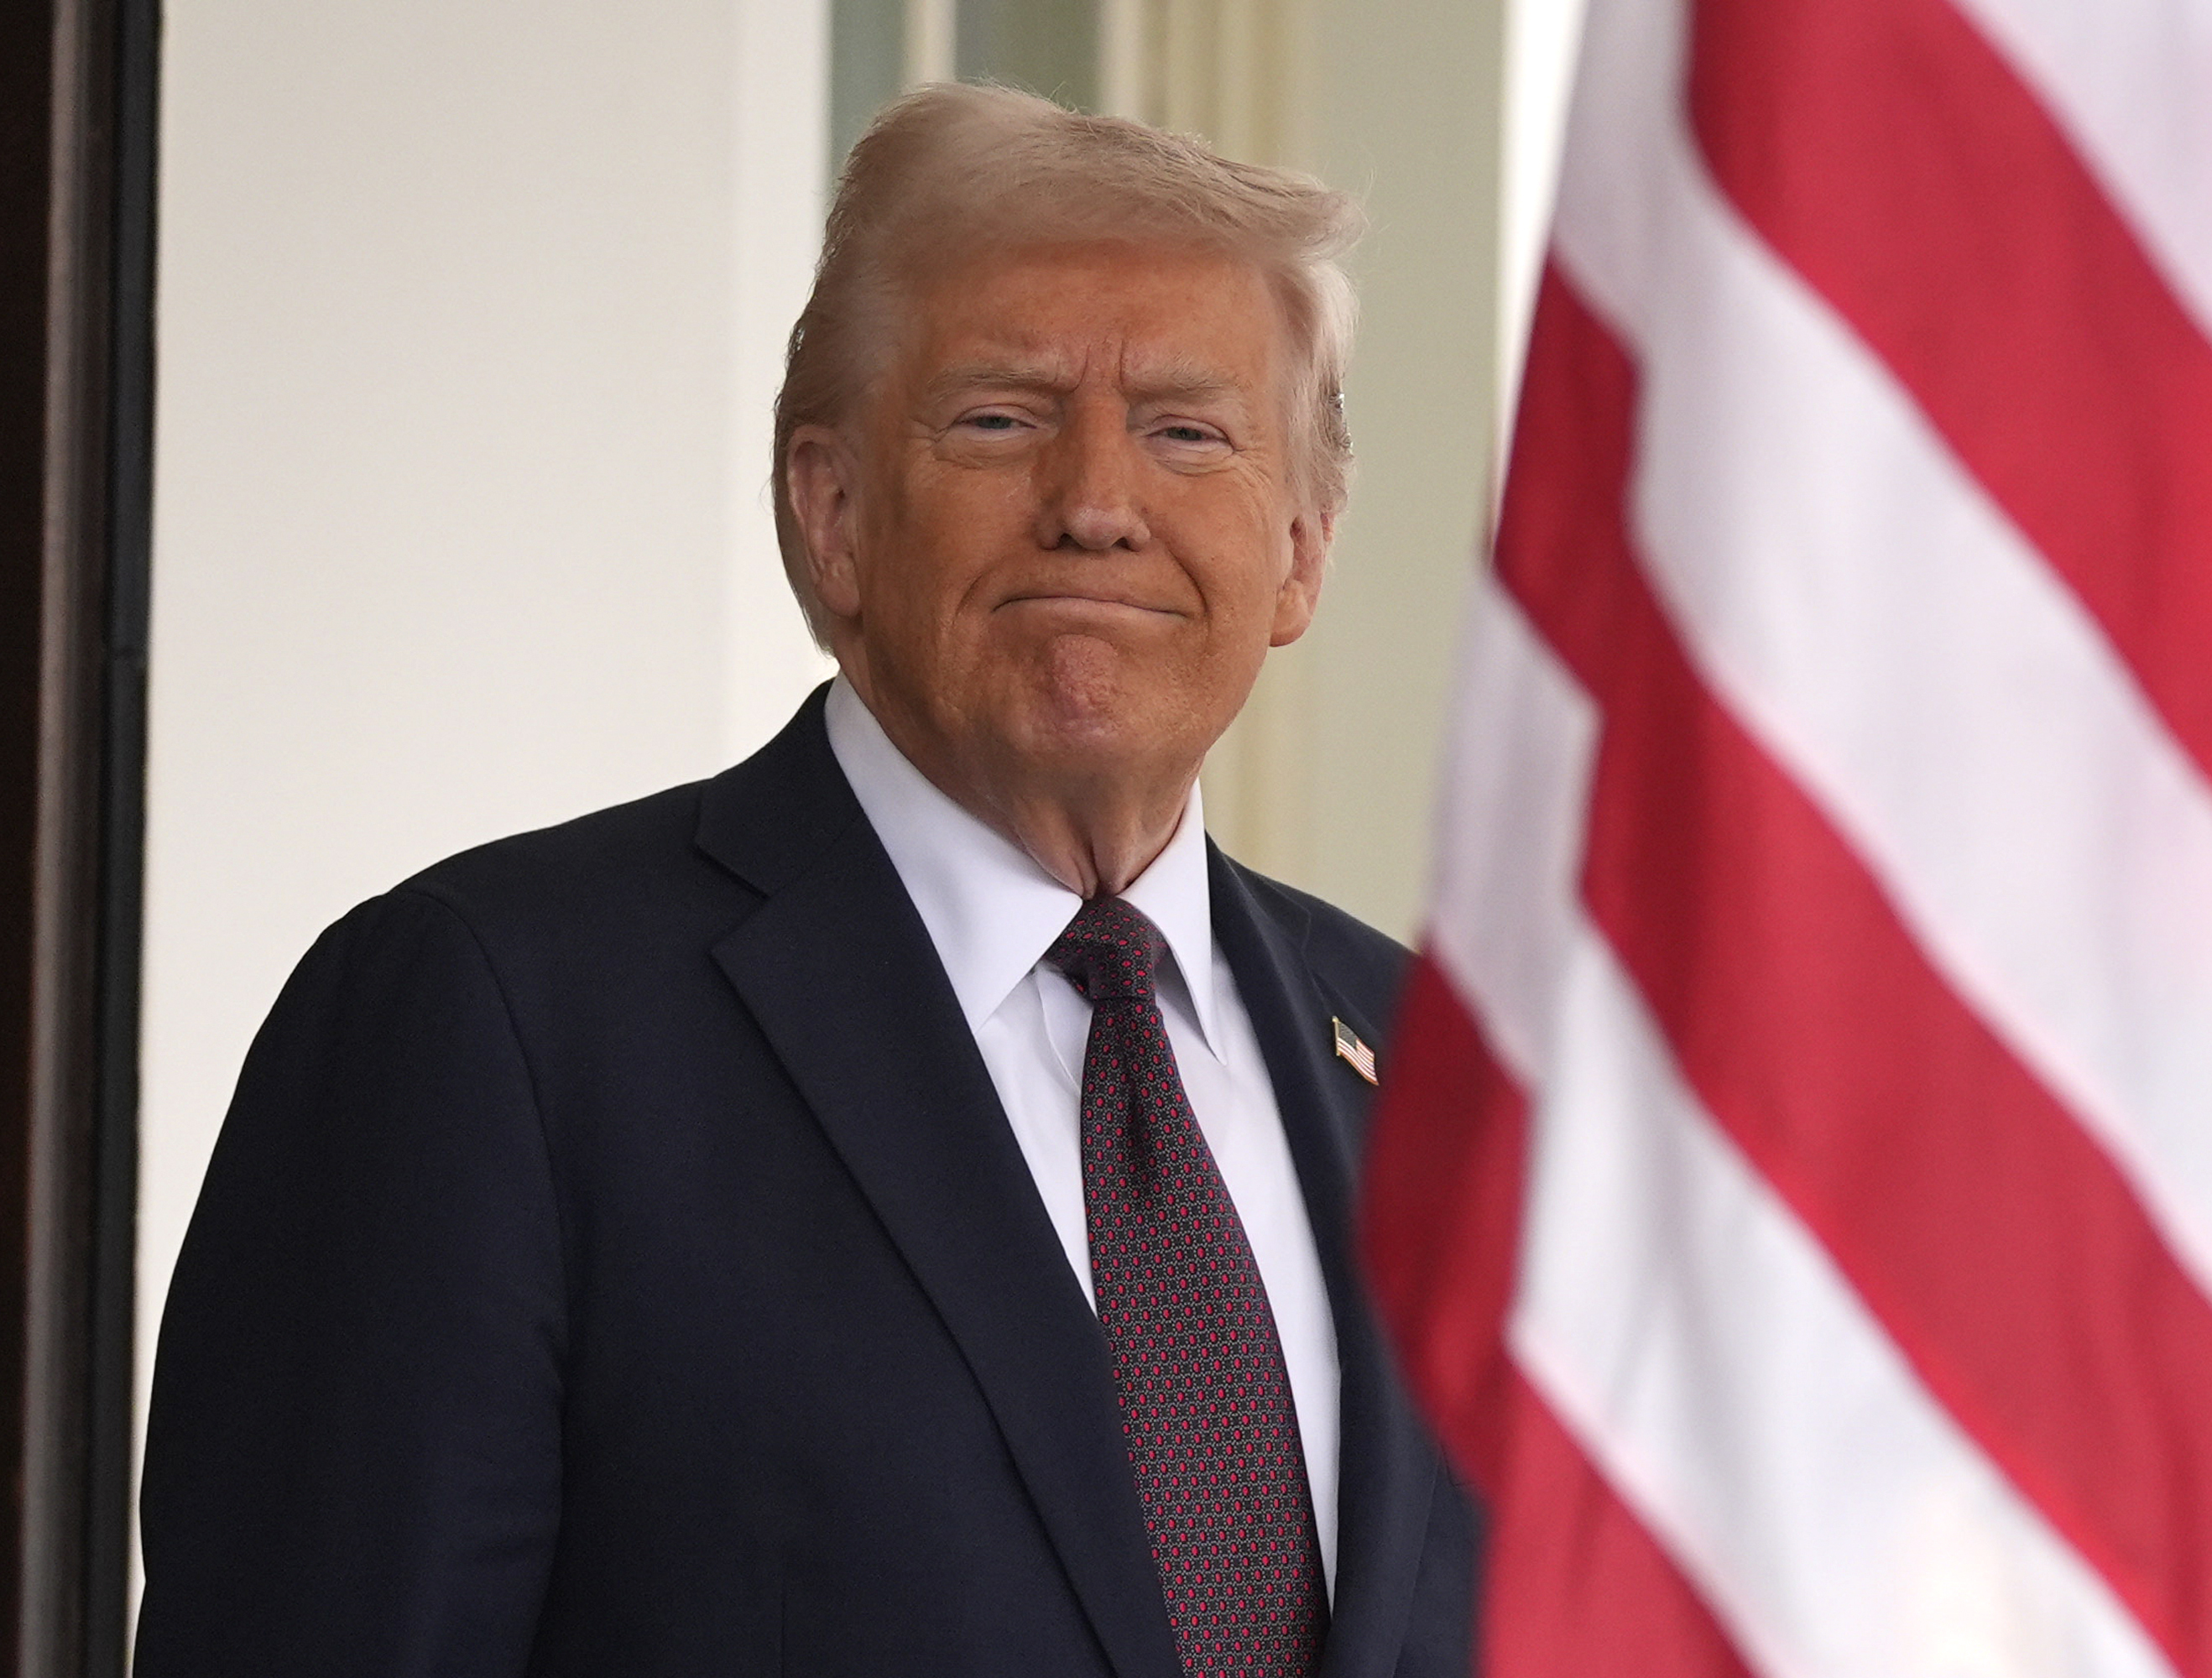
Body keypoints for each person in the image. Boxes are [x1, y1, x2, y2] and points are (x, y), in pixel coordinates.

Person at [133, 81, 1480, 1677]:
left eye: (1189, 430)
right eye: (1002, 415)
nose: (1099, 504)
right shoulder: (491, 1024)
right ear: (830, 513)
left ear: (1305, 551)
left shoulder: (1430, 1073)